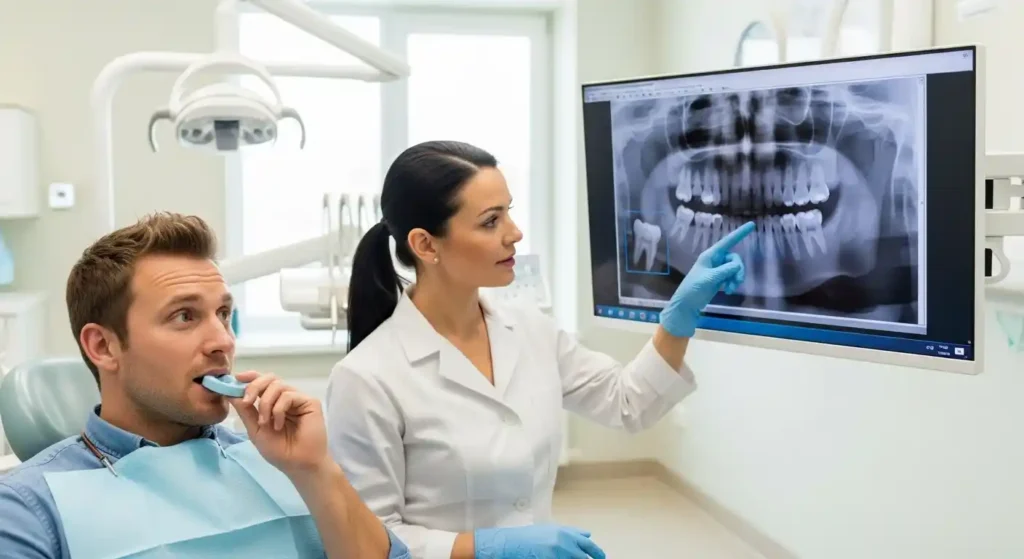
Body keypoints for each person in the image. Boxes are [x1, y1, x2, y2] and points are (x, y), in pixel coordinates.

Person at [324, 141, 754, 559]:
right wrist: (484, 549)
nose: (515, 233)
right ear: (425, 245)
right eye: (491, 221)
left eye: (509, 212)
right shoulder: (366, 378)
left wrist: (677, 320)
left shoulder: (528, 327)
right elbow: (369, 542)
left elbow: (627, 402)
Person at [0, 212, 411, 559]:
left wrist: (317, 470)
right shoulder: (26, 508)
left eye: (223, 313)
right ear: (103, 346)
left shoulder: (288, 463)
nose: (223, 340)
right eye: (184, 316)